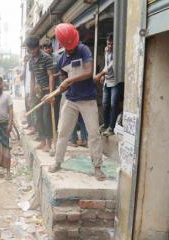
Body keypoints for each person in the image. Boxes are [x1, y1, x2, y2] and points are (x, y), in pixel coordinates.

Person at [42, 23, 105, 181]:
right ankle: (57, 161)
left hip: (88, 99)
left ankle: (97, 167)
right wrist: (53, 94)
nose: (71, 47)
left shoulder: (84, 50)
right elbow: (63, 84)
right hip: (70, 100)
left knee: (94, 133)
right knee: (63, 132)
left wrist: (70, 80)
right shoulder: (62, 60)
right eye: (68, 45)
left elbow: (88, 72)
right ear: (63, 44)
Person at [26, 36, 55, 152]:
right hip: (38, 92)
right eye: (30, 50)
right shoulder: (31, 61)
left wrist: (52, 94)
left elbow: (51, 76)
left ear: (38, 46)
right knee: (38, 117)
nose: (32, 52)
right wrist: (31, 95)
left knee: (46, 116)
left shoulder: (46, 58)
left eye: (33, 49)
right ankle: (42, 141)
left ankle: (49, 143)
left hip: (47, 91)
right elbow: (32, 79)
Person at [94, 33, 123, 136]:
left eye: (112, 44)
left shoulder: (118, 51)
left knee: (113, 105)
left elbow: (111, 66)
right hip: (107, 81)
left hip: (116, 81)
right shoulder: (107, 50)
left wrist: (100, 74)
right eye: (108, 44)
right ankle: (105, 125)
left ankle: (111, 127)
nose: (110, 46)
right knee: (105, 104)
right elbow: (106, 65)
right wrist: (103, 76)